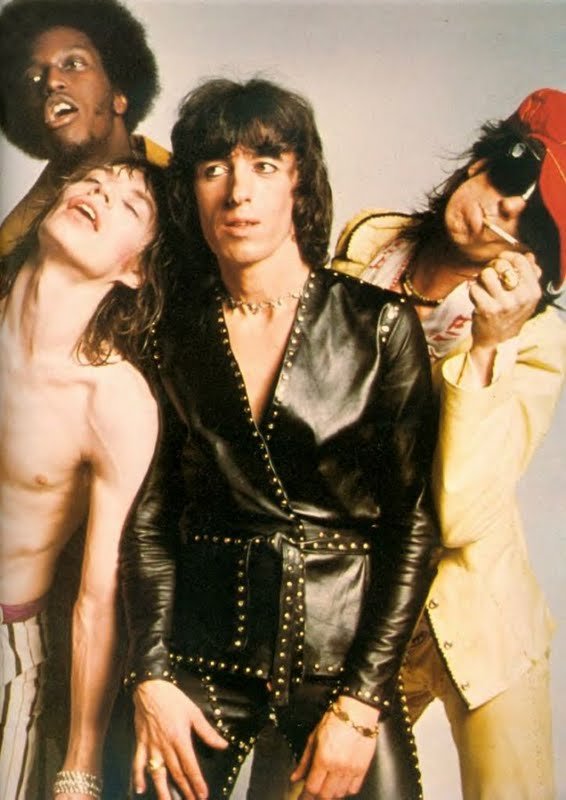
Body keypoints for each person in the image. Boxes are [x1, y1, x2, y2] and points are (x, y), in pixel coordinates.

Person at [119, 77, 440, 800]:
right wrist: (151, 676)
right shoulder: (171, 335)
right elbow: (150, 519)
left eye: (264, 165)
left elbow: (412, 526)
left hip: (340, 673)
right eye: (214, 168)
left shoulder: (380, 326)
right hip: (197, 664)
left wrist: (361, 705)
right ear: (191, 193)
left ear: (300, 183)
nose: (238, 192)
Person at [332, 87, 566, 798]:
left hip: (471, 614)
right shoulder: (372, 242)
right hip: (362, 606)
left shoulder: (536, 338)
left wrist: (490, 346)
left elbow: (463, 512)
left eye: (539, 222)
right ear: (482, 159)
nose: (508, 207)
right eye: (515, 175)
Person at [0, 159, 170, 800]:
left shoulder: (114, 402)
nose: (102, 192)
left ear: (135, 269)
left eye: (131, 203)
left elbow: (98, 600)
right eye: (96, 180)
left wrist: (81, 767)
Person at [0, 0, 169, 257]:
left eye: (73, 64)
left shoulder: (190, 192)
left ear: (118, 96)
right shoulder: (10, 249)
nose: (51, 82)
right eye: (34, 77)